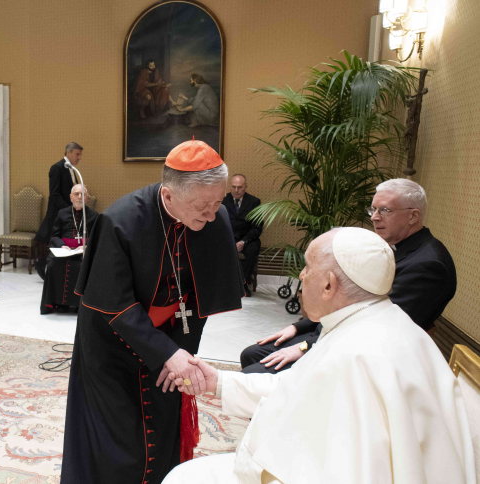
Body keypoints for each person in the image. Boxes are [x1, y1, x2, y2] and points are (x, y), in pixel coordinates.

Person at [162, 227, 475, 484]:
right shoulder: (377, 321)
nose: (302, 274)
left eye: (308, 267)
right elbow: (294, 387)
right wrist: (217, 382)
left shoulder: (356, 354)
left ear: (329, 285)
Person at [60, 136, 245, 484]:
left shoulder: (213, 217)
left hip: (173, 336)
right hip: (112, 341)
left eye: (218, 202)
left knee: (162, 422)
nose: (212, 214)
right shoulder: (121, 220)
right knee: (115, 433)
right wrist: (165, 353)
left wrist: (182, 356)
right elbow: (114, 304)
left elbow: (200, 301)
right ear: (170, 193)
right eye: (203, 205)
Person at [240, 178, 457, 374]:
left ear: (413, 216)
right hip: (336, 333)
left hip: (364, 354)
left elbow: (377, 328)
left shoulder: (429, 265)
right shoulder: (397, 248)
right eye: (372, 209)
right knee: (251, 353)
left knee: (258, 369)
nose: (374, 217)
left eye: (385, 210)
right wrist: (296, 327)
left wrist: (306, 346)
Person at [40, 184, 98, 314]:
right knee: (54, 265)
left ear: (87, 198)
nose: (79, 197)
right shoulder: (62, 213)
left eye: (82, 194)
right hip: (64, 251)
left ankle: (79, 305)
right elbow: (54, 236)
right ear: (71, 197)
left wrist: (86, 245)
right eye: (76, 194)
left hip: (83, 252)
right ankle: (57, 303)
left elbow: (97, 237)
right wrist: (61, 245)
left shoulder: (94, 216)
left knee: (82, 266)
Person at [221, 174, 262, 297]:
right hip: (227, 237)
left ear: (245, 187)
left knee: (252, 250)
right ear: (230, 186)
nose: (236, 190)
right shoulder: (222, 200)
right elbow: (218, 224)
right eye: (233, 187)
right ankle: (225, 285)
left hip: (247, 238)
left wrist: (244, 241)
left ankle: (242, 284)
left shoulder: (254, 202)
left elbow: (257, 227)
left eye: (239, 187)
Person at [36, 142, 84, 243]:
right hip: (58, 214)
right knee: (54, 245)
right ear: (68, 152)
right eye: (77, 154)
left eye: (80, 155)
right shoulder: (57, 168)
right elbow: (55, 194)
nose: (79, 157)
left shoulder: (72, 169)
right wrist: (68, 210)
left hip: (68, 215)